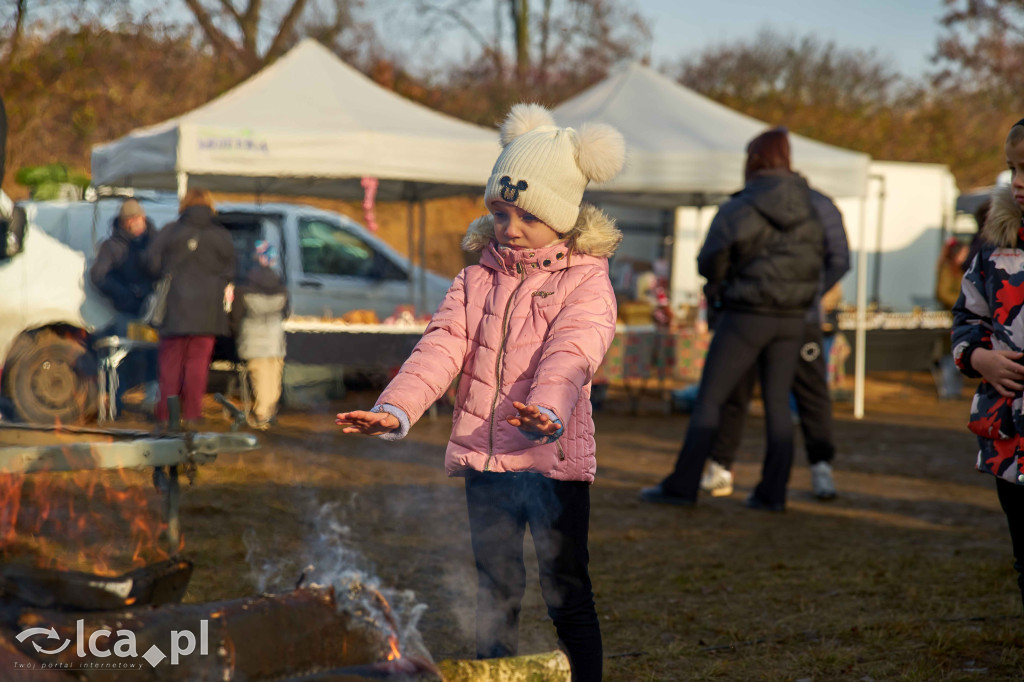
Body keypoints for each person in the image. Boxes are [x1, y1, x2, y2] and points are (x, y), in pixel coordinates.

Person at [336, 103, 625, 681]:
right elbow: (440, 349)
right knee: (494, 589)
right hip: (485, 459)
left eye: (525, 214)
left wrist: (547, 411)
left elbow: (571, 355)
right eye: (499, 211)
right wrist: (395, 409)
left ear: (562, 215)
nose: (508, 227)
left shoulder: (586, 280)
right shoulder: (476, 279)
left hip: (552, 461)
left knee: (567, 588)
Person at [641, 126, 824, 512]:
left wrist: (723, 282)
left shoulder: (740, 207)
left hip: (746, 315)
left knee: (711, 398)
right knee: (778, 403)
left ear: (753, 162)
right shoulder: (812, 208)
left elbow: (710, 259)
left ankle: (683, 484)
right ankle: (773, 492)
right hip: (792, 318)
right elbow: (823, 260)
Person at [697, 134, 850, 501]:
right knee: (783, 397)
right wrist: (802, 293)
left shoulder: (764, 202)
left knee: (779, 393)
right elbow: (839, 259)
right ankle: (736, 470)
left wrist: (799, 292)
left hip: (764, 315)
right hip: (792, 315)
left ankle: (731, 468)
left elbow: (838, 259)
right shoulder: (814, 203)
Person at [952, 117, 1024, 614]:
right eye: (1014, 167)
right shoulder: (994, 252)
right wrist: (978, 357)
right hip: (1011, 438)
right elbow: (966, 318)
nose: (1018, 180)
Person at [146, 188, 235, 427]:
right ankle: (193, 414)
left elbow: (150, 263)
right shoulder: (220, 235)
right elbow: (231, 271)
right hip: (207, 314)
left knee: (170, 366)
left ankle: (166, 416)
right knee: (197, 365)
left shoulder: (169, 231)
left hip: (173, 310)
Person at [89, 198, 159, 412]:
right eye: (131, 219)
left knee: (154, 355)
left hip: (153, 314)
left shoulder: (155, 243)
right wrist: (125, 294)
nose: (137, 222)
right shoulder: (111, 246)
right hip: (126, 313)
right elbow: (99, 276)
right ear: (123, 222)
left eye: (139, 218)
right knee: (122, 359)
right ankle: (116, 403)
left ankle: (152, 401)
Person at [230, 240, 288, 430]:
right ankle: (270, 412)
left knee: (260, 378)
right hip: (275, 340)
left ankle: (262, 416)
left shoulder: (243, 287)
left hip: (254, 341)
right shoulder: (281, 286)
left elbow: (236, 318)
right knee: (273, 378)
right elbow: (286, 313)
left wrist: (235, 333)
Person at [933, 237, 969, 400]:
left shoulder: (957, 269)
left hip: (958, 316)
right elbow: (942, 293)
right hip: (950, 316)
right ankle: (949, 390)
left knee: (957, 353)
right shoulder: (947, 269)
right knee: (949, 354)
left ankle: (954, 390)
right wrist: (962, 301)